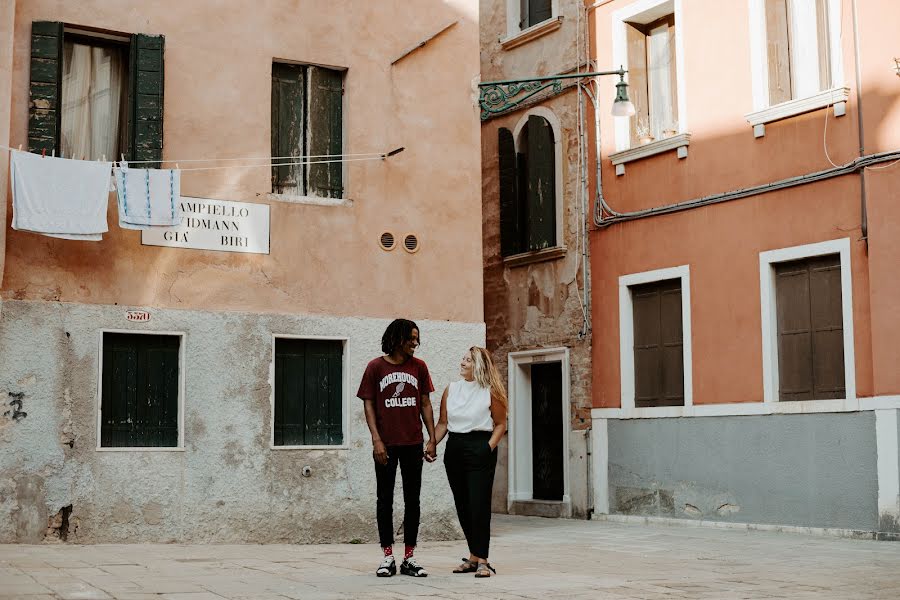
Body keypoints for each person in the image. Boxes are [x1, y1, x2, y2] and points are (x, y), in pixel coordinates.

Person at [357, 318, 436, 578]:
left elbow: (425, 403)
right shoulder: (375, 367)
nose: (416, 343)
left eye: (417, 338)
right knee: (385, 500)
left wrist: (432, 438)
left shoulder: (419, 367)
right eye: (411, 338)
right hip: (386, 445)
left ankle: (409, 557)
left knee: (413, 501)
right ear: (398, 339)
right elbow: (368, 404)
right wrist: (376, 440)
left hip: (413, 443)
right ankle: (388, 556)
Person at [432, 346, 508, 578]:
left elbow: (500, 424)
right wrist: (431, 444)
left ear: (479, 365)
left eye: (467, 360)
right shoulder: (451, 389)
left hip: (480, 446)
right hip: (454, 448)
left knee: (479, 503)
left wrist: (487, 447)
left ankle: (483, 559)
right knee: (463, 503)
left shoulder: (490, 391)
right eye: (462, 358)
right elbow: (443, 423)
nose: (462, 363)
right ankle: (473, 556)